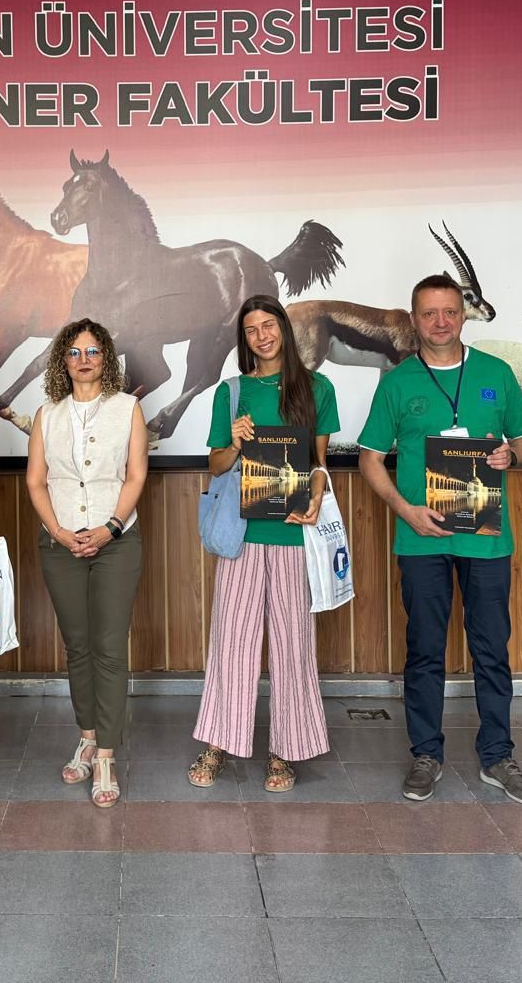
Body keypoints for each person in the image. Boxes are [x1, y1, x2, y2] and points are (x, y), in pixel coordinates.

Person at [357, 273, 522, 805]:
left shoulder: (495, 373)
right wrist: (406, 512)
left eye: (450, 312)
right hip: (422, 539)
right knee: (424, 650)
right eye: (429, 313)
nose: (440, 322)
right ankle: (426, 755)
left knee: (491, 649)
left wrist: (512, 455)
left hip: (486, 540)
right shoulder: (397, 382)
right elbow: (370, 459)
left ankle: (498, 756)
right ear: (413, 320)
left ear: (463, 316)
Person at [189, 295, 338, 793]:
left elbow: (319, 465)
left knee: (293, 647)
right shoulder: (231, 392)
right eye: (251, 330)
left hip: (294, 533)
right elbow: (215, 465)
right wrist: (234, 442)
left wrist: (317, 497)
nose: (262, 336)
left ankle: (284, 751)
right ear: (244, 339)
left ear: (283, 329)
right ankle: (217, 743)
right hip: (243, 536)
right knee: (232, 643)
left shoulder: (318, 388)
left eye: (269, 325)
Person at [25, 318, 149, 808]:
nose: (83, 360)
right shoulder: (47, 414)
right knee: (77, 647)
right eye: (74, 352)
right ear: (63, 360)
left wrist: (110, 527)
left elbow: (136, 476)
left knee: (109, 648)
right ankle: (88, 737)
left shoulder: (128, 408)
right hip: (60, 545)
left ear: (106, 359)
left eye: (93, 351)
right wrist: (59, 533)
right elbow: (36, 481)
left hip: (117, 542)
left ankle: (106, 757)